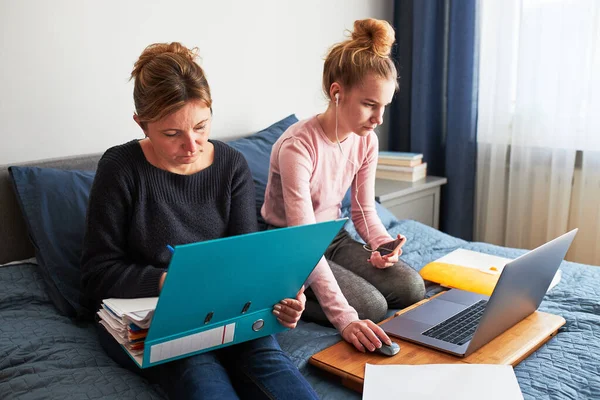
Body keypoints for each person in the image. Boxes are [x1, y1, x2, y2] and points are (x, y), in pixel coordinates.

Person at [81, 42, 318, 400]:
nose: (191, 145)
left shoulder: (231, 165)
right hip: (154, 317)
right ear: (141, 123)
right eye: (172, 134)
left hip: (227, 311)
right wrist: (170, 281)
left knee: (271, 363)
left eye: (201, 127)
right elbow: (96, 274)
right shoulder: (120, 169)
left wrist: (278, 298)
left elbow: (246, 260)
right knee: (200, 374)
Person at [261, 18, 425, 353]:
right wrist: (346, 318)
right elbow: (304, 241)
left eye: (384, 107)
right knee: (372, 307)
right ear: (337, 93)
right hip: (290, 243)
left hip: (331, 236)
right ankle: (279, 291)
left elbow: (363, 208)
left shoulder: (366, 141)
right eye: (369, 105)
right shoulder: (297, 147)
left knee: (411, 287)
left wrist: (382, 245)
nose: (378, 119)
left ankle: (328, 289)